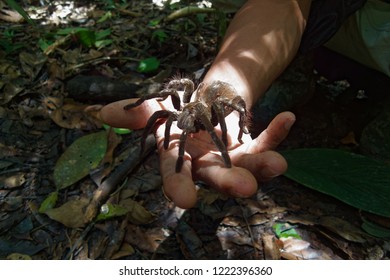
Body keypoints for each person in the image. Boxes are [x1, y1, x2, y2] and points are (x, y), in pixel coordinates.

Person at [100, 0, 385, 209]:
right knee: (184, 89)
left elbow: (220, 120)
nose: (184, 127)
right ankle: (295, 74)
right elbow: (287, 5)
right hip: (344, 29)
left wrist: (229, 141)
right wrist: (230, 75)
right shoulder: (181, 111)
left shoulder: (209, 116)